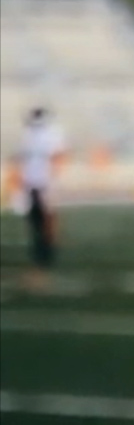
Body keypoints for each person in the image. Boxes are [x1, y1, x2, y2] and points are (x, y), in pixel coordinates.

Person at [13, 106, 68, 291]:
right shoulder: (29, 135)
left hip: (44, 183)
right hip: (32, 184)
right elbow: (22, 160)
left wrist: (53, 181)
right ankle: (40, 259)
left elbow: (58, 158)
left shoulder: (52, 134)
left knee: (45, 222)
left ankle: (44, 260)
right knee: (35, 223)